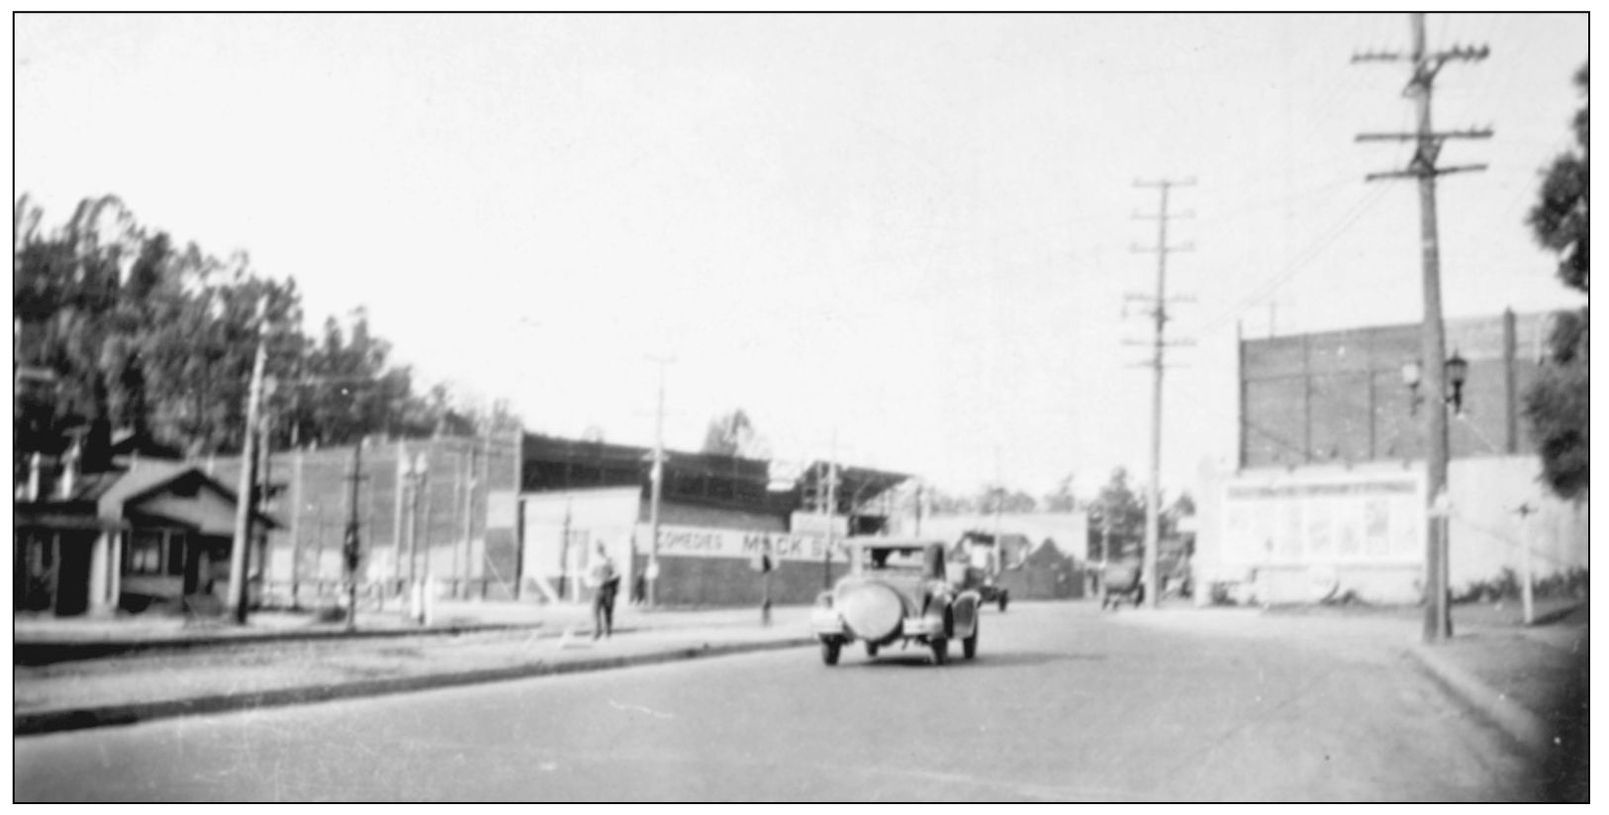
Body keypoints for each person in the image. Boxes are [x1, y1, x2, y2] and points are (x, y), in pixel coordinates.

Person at [587, 544, 621, 639]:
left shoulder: (610, 560)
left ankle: (608, 631)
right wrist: (594, 583)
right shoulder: (593, 561)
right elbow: (588, 576)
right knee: (595, 610)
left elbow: (617, 573)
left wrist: (608, 578)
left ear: (604, 550)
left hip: (608, 588)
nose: (600, 552)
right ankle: (596, 631)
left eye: (601, 549)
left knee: (608, 610)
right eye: (598, 550)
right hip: (597, 589)